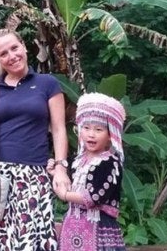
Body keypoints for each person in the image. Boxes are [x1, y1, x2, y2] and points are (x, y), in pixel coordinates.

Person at [0, 28, 70, 251]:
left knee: (34, 242)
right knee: (3, 242)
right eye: (3, 53)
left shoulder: (48, 83)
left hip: (36, 176)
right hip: (1, 177)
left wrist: (62, 167)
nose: (12, 56)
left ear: (24, 46)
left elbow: (58, 128)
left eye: (14, 48)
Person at [47, 92, 127, 251]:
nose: (91, 134)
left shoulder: (109, 163)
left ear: (110, 135)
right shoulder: (77, 161)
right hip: (73, 228)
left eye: (98, 129)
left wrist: (64, 195)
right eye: (86, 127)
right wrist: (55, 172)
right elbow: (68, 184)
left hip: (99, 230)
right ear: (79, 130)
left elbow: (94, 197)